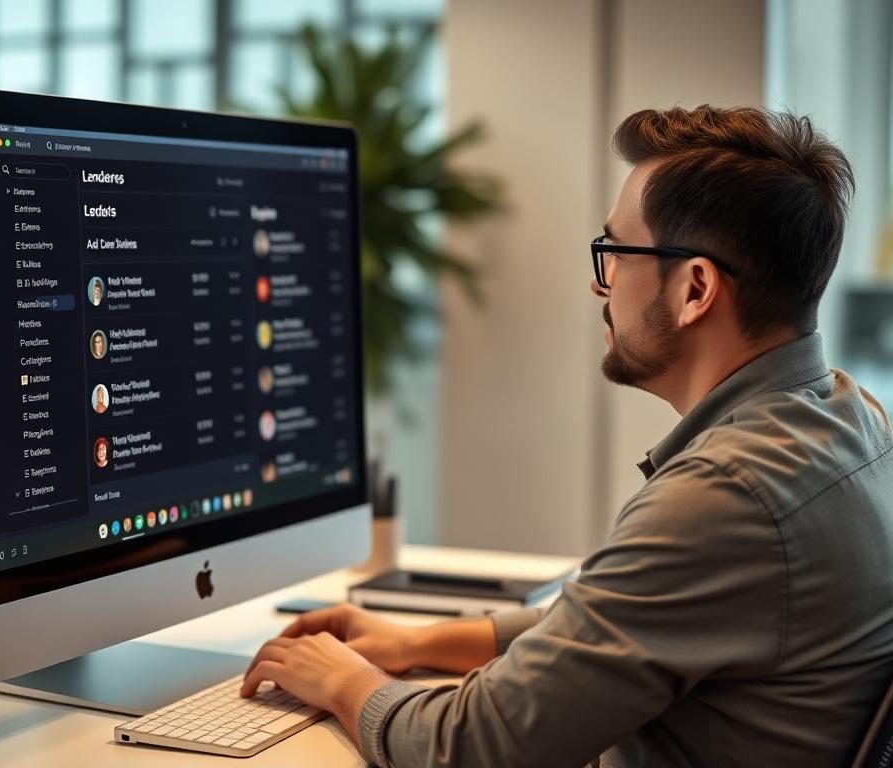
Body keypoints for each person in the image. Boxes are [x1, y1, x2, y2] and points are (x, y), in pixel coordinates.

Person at [238, 106, 893, 767]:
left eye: (614, 253)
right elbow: (621, 621)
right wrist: (418, 642)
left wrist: (344, 680)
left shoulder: (726, 496)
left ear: (696, 288)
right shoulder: (853, 419)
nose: (597, 282)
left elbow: (470, 748)